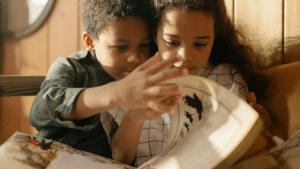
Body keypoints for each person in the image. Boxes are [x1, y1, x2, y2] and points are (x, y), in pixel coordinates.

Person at [110, 0, 270, 167]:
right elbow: (120, 158)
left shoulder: (227, 77)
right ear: (154, 35)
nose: (185, 56)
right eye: (172, 43)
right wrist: (134, 117)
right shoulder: (135, 79)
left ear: (214, 37)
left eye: (200, 44)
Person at [29, 0, 187, 159]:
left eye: (144, 45)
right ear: (90, 42)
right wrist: (117, 93)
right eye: (120, 47)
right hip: (50, 159)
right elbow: (40, 110)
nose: (135, 57)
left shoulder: (148, 76)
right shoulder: (72, 67)